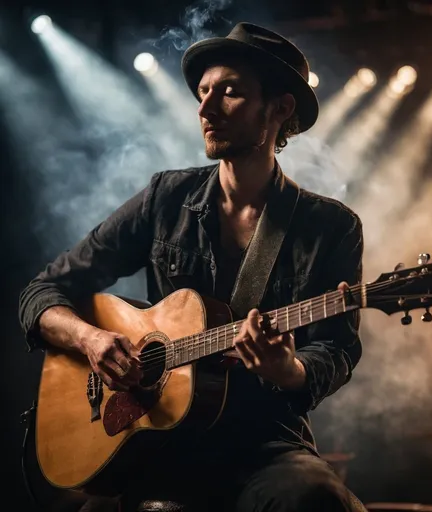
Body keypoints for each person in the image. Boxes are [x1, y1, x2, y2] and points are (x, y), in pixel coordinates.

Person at [18, 22, 366, 512]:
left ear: (281, 108)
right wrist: (91, 339)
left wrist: (288, 369)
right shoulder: (166, 197)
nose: (205, 108)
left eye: (230, 93)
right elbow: (44, 292)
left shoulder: (331, 225)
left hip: (263, 442)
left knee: (315, 499)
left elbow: (337, 347)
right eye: (203, 92)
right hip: (155, 441)